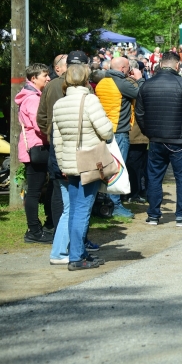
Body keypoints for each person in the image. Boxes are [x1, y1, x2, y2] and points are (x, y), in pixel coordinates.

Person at [52, 64, 114, 270]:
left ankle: (77, 252)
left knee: (73, 211)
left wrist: (63, 164)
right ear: (86, 79)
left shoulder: (59, 104)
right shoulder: (90, 100)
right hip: (90, 162)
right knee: (82, 210)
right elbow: (106, 131)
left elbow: (57, 140)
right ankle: (77, 258)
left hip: (69, 163)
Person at [135, 51, 182, 226]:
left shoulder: (147, 85)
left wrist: (148, 132)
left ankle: (154, 215)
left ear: (161, 63)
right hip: (179, 140)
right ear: (177, 65)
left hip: (156, 138)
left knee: (154, 178)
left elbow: (139, 113)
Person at [95, 56, 140, 218]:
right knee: (117, 169)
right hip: (119, 131)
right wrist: (139, 79)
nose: (129, 70)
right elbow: (141, 93)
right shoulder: (121, 83)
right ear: (122, 69)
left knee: (106, 168)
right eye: (128, 67)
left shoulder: (102, 82)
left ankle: (103, 202)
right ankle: (115, 204)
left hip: (103, 130)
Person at [17, 63, 52, 244]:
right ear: (33, 79)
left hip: (34, 147)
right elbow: (39, 125)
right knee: (34, 191)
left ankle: (37, 228)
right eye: (44, 76)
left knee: (35, 190)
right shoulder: (32, 99)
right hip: (37, 148)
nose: (48, 78)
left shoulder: (32, 96)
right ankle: (34, 231)